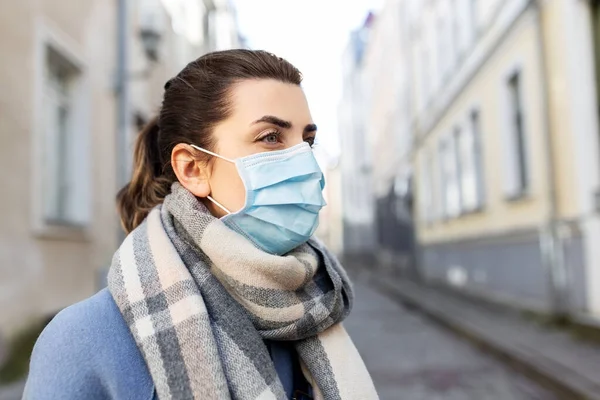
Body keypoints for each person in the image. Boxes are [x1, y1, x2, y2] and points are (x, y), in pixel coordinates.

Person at [24, 49, 378, 400]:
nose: (305, 163)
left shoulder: (314, 306)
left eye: (308, 142)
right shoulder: (84, 340)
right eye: (270, 137)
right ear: (193, 169)